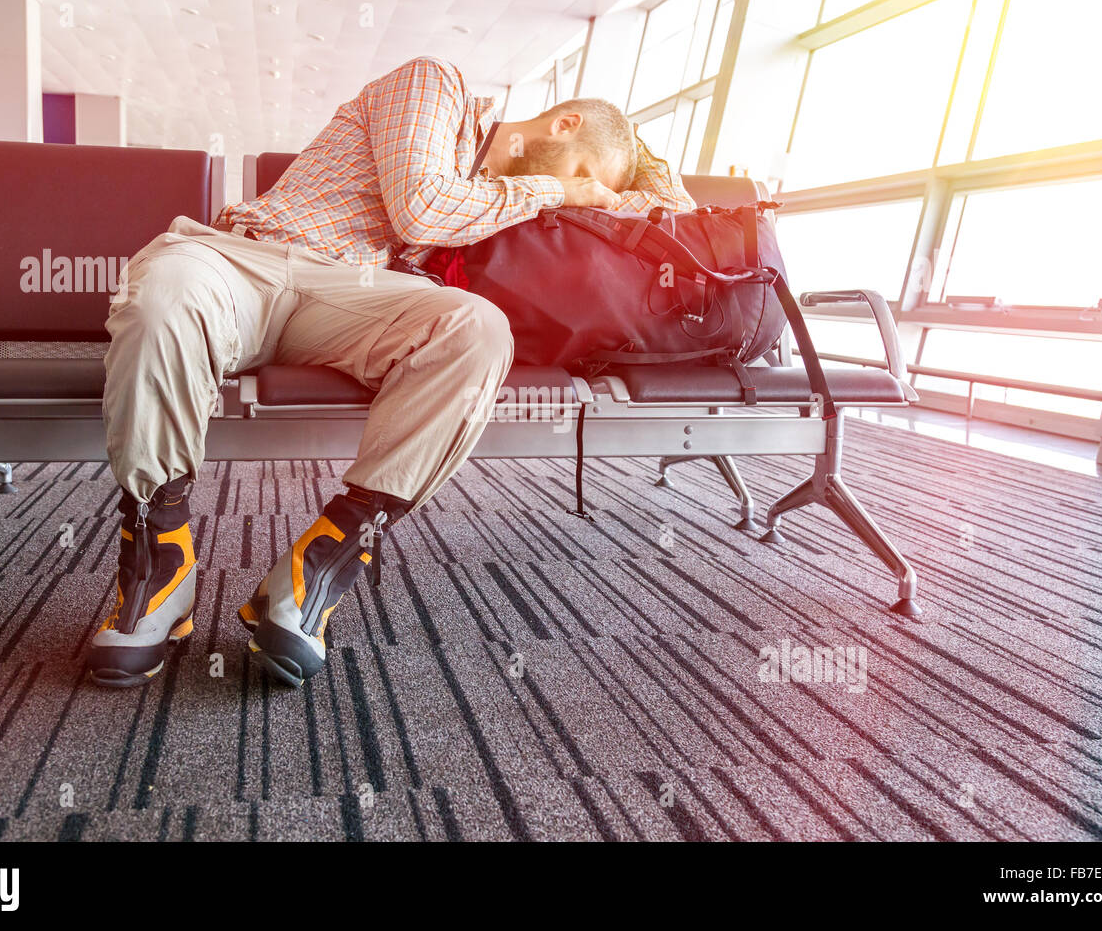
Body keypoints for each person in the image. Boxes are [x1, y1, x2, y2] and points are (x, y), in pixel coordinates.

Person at [88, 55, 695, 688]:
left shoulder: (504, 203)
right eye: (582, 175)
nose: (575, 193)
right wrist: (561, 188)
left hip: (357, 296)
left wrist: (631, 167)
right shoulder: (438, 85)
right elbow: (421, 210)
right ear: (565, 124)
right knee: (163, 298)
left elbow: (670, 215)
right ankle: (159, 563)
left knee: (478, 330)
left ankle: (317, 568)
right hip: (251, 260)